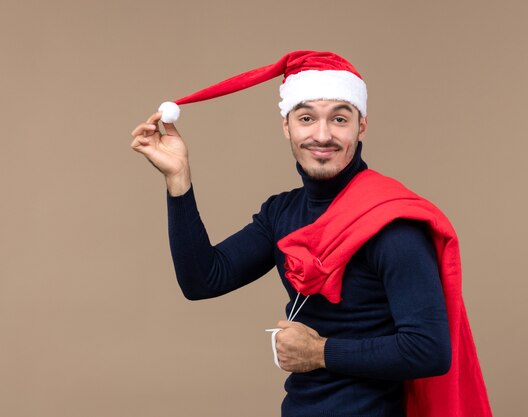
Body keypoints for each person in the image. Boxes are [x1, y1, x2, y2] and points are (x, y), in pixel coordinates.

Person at [130, 51, 491, 417]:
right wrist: (178, 179)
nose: (322, 135)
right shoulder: (281, 212)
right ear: (287, 126)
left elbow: (428, 349)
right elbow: (203, 280)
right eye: (306, 118)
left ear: (361, 126)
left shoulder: (392, 224)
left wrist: (319, 352)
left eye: (339, 118)